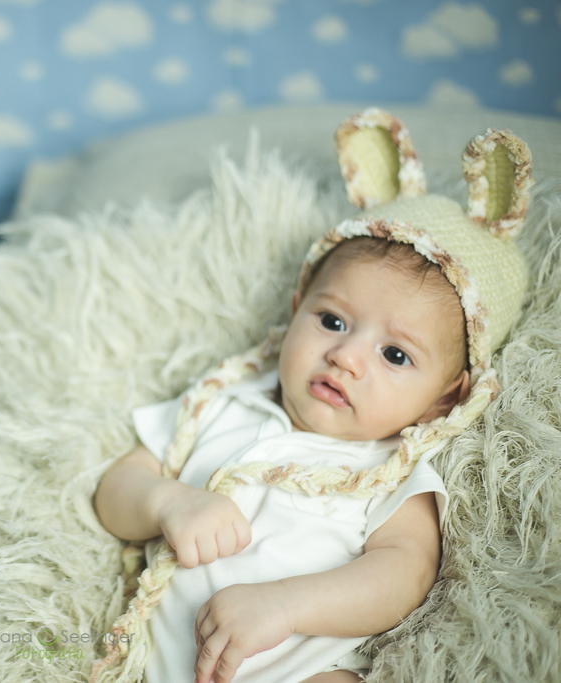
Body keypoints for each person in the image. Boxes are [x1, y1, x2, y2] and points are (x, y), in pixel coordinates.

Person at [89, 109, 532, 683]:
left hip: (298, 668)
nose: (346, 357)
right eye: (332, 320)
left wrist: (286, 604)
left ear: (445, 399)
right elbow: (116, 490)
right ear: (297, 306)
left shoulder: (392, 467)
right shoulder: (225, 402)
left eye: (395, 355)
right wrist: (168, 503)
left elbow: (405, 571)